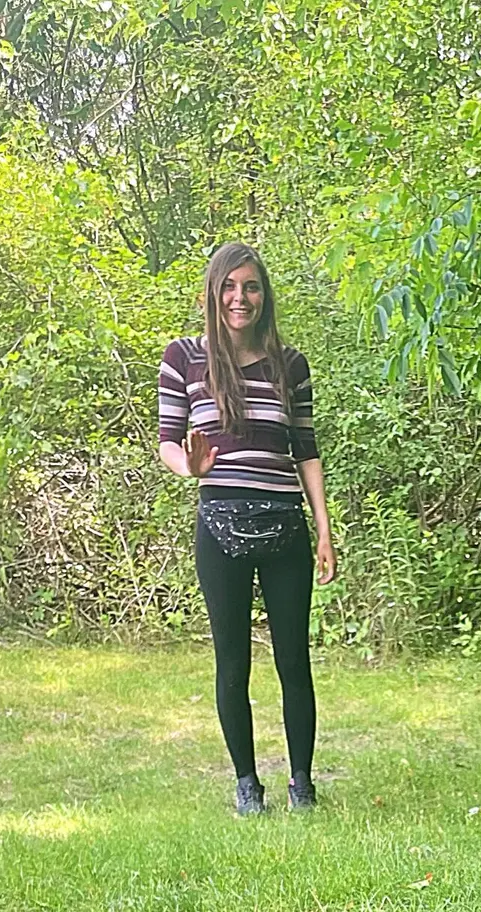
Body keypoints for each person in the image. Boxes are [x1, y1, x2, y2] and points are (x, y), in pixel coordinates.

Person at [157, 243, 337, 814]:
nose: (241, 298)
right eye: (230, 286)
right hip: (219, 525)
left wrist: (324, 529)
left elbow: (305, 450)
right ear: (213, 293)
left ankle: (302, 784)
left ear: (264, 295)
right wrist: (190, 468)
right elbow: (167, 442)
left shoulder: (291, 364)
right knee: (232, 662)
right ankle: (246, 786)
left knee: (294, 661)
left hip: (285, 527)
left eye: (251, 286)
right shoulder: (183, 358)